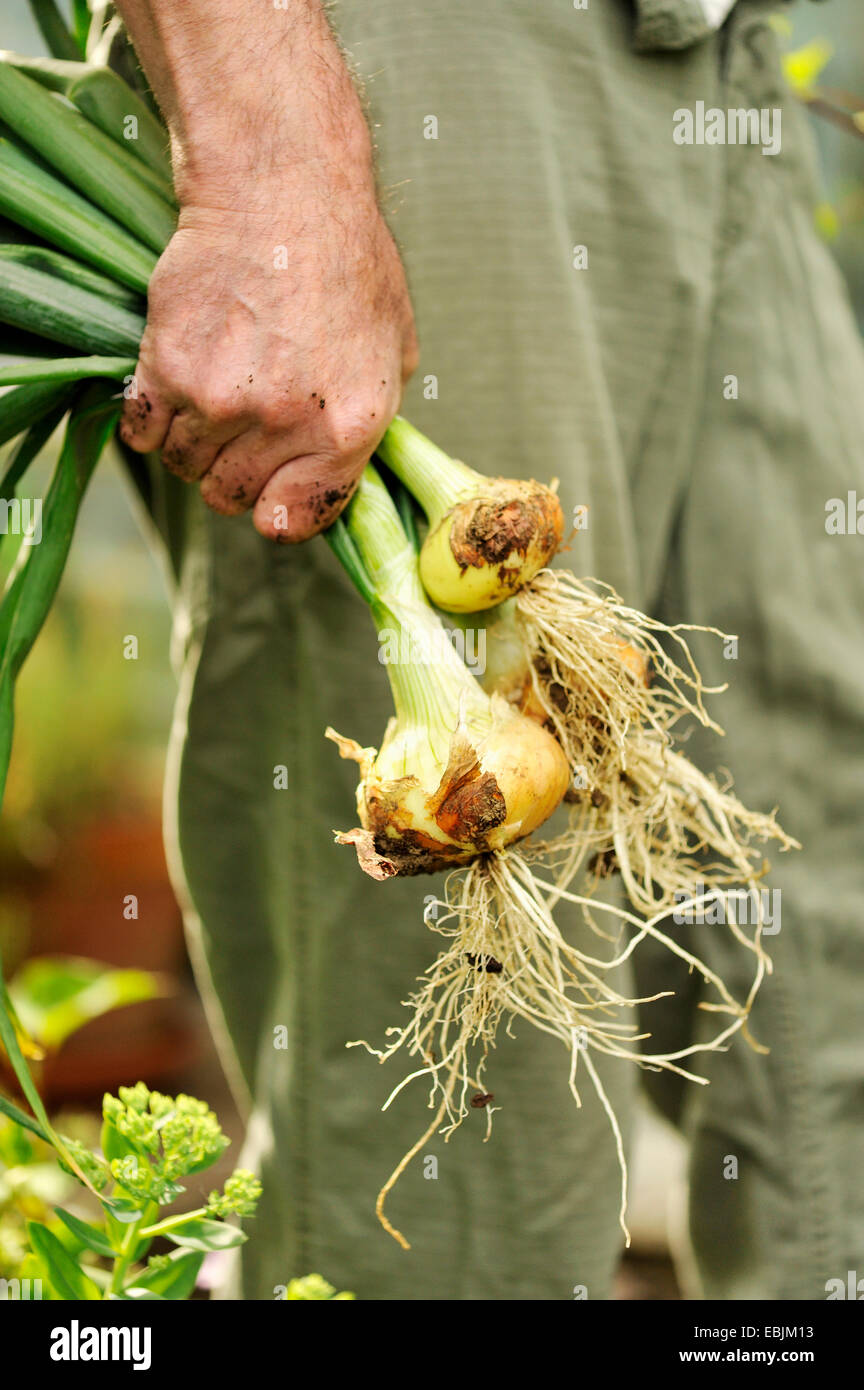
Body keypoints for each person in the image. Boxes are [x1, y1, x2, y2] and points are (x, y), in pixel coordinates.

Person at [114, 0, 864, 1300]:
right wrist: (266, 141)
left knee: (824, 897)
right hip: (416, 50)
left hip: (711, 50)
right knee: (480, 1124)